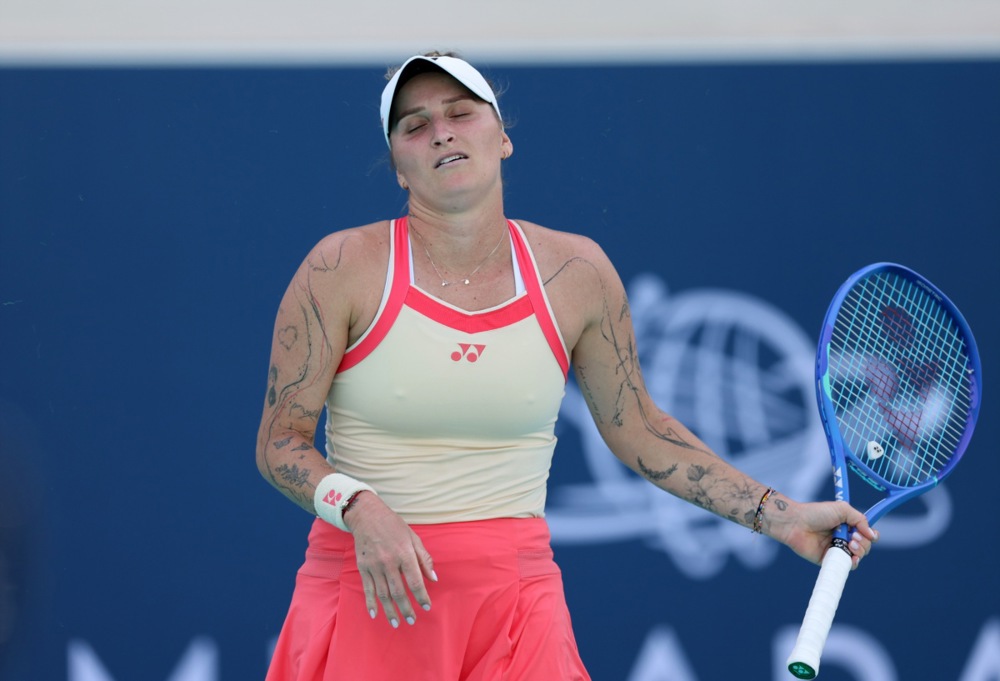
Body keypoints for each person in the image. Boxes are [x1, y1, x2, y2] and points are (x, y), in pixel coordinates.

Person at [256, 52, 879, 681]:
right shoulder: (339, 268)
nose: (441, 131)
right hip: (372, 593)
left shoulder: (577, 273)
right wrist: (361, 508)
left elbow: (638, 428)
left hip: (517, 606)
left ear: (502, 139)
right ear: (398, 167)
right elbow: (279, 444)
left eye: (460, 113)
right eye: (414, 126)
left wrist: (784, 516)